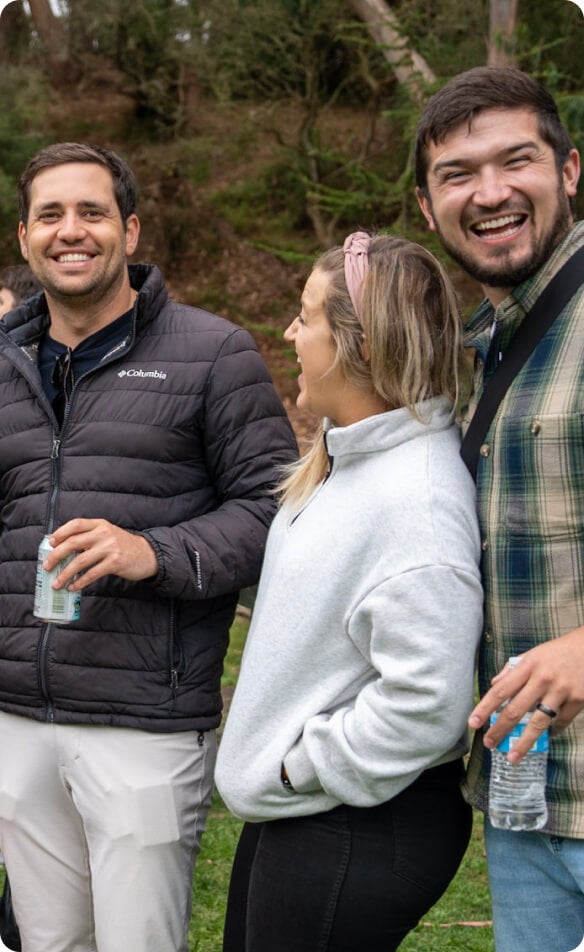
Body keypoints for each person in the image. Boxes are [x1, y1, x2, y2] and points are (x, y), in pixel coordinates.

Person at [0, 141, 297, 952]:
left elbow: (280, 514)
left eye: (92, 212)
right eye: (50, 215)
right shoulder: (4, 364)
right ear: (24, 239)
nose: (72, 231)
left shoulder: (214, 354)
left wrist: (154, 553)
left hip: (144, 723)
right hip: (16, 721)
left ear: (129, 232)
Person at [215, 232, 484, 952]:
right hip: (304, 812)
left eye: (306, 317)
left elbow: (429, 700)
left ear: (357, 344)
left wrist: (300, 764)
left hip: (355, 819)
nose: (290, 333)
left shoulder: (416, 500)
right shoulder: (348, 461)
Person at [415, 65, 584, 952]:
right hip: (526, 797)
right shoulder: (478, 350)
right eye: (457, 174)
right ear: (426, 205)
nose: (489, 192)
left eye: (514, 160)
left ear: (568, 168)